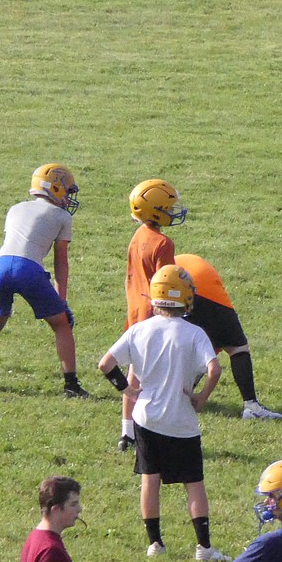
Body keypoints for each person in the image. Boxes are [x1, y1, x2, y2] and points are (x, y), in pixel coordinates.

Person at [99, 264, 232, 562]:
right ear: (186, 298)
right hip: (181, 420)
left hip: (146, 417)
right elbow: (215, 368)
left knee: (150, 479)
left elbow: (105, 363)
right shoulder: (194, 333)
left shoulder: (139, 329)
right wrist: (201, 397)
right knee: (194, 484)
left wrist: (128, 391)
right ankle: (204, 547)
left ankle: (155, 544)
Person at [0, 164, 88, 398]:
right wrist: (62, 298)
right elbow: (60, 261)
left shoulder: (16, 208)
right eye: (67, 191)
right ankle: (71, 385)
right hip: (27, 268)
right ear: (55, 187)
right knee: (61, 324)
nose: (69, 197)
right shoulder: (61, 216)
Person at [118, 178, 186, 453]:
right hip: (155, 311)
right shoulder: (163, 243)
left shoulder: (138, 236)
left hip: (136, 308)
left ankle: (126, 432)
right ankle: (153, 427)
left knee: (134, 370)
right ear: (156, 210)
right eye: (168, 207)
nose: (172, 212)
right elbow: (166, 282)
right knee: (153, 373)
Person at [175, 254, 282, 420]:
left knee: (198, 347)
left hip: (178, 288)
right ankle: (251, 406)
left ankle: (175, 397)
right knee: (236, 347)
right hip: (200, 284)